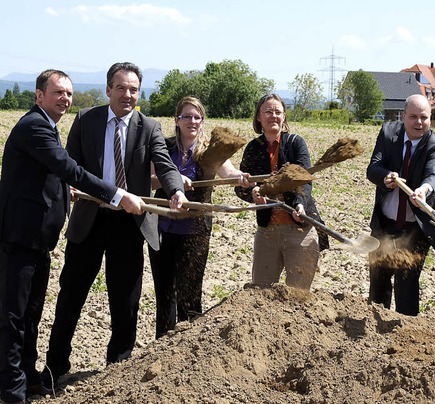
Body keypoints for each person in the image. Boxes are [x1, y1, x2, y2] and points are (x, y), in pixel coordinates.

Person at [0, 69, 144, 403]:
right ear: (39, 96)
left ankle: (27, 376)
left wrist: (68, 190)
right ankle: (11, 391)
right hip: (20, 239)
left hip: (38, 242)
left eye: (68, 93)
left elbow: (53, 176)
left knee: (31, 313)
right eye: (57, 93)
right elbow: (69, 168)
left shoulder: (46, 127)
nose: (65, 99)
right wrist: (119, 195)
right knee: (13, 317)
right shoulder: (35, 126)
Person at [41, 62, 188, 391]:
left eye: (133, 89)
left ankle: (116, 369)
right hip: (90, 220)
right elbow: (70, 162)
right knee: (71, 296)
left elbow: (164, 164)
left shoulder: (148, 126)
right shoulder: (86, 120)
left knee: (125, 301)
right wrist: (70, 186)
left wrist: (175, 189)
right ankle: (54, 367)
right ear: (108, 89)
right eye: (121, 88)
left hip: (129, 225)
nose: (127, 94)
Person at [149, 96, 251, 338]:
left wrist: (239, 177)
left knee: (190, 294)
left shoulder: (210, 151)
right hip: (162, 228)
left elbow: (229, 172)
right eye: (187, 116)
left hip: (194, 232)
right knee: (164, 295)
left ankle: (190, 347)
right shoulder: (165, 147)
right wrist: (170, 178)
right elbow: (150, 178)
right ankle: (161, 346)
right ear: (177, 120)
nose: (192, 121)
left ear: (202, 121)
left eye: (197, 117)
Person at [367, 94, 435, 316]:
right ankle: (374, 325)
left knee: (406, 283)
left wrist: (424, 190)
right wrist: (386, 177)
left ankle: (404, 330)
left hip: (415, 228)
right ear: (403, 116)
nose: (419, 122)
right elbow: (373, 168)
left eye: (424, 117)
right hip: (384, 224)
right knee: (378, 279)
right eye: (413, 117)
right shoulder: (389, 133)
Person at [235, 93, 327, 290]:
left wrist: (300, 203)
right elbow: (240, 187)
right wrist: (252, 192)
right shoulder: (253, 148)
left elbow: (304, 181)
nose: (273, 116)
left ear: (284, 116)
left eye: (278, 112)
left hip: (299, 230)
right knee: (260, 292)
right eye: (268, 111)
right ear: (259, 117)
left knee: (298, 295)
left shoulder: (295, 143)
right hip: (267, 232)